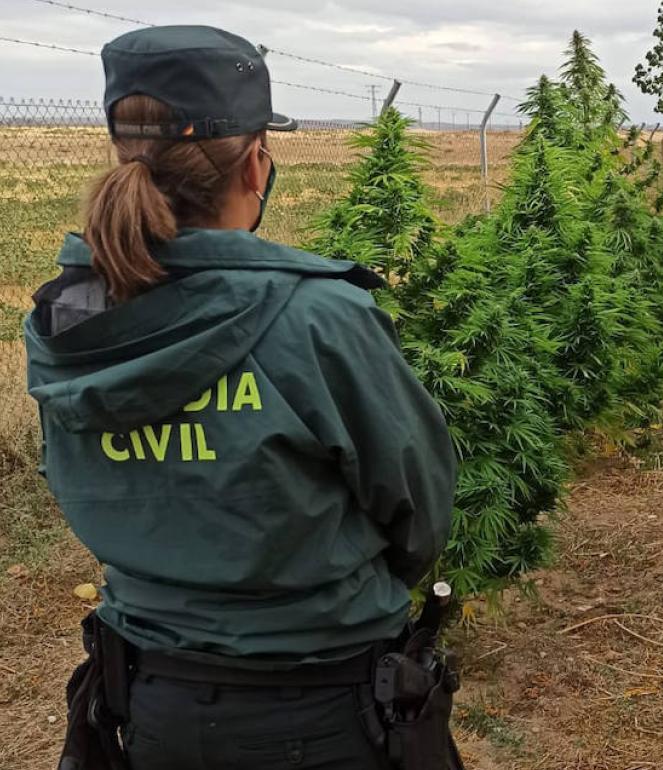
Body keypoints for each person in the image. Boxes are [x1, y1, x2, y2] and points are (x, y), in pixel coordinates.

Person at [23, 25, 457, 770]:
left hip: (149, 704)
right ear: (256, 163)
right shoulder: (319, 317)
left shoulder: (69, 317)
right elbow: (420, 505)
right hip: (326, 709)